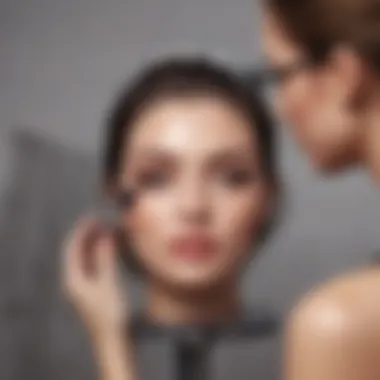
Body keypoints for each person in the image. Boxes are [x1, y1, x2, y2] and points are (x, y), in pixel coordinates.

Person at [61, 58, 279, 380]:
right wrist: (110, 339)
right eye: (157, 179)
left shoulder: (329, 348)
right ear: (114, 198)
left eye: (232, 177)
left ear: (268, 198)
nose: (193, 207)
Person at [261, 0, 380, 379]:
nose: (279, 107)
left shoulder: (343, 327)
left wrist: (111, 346)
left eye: (280, 75)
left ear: (344, 74)